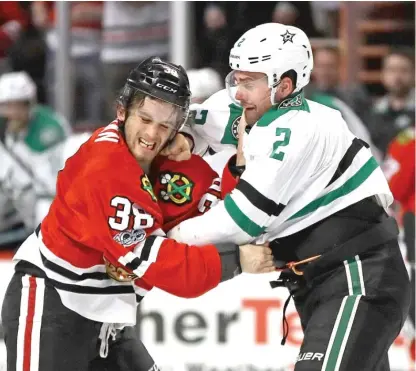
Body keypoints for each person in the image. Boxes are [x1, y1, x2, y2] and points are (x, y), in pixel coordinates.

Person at [1, 57, 274, 371]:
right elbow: (171, 268)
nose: (152, 134)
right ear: (121, 111)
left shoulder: (174, 151)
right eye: (144, 119)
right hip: (53, 306)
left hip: (107, 320)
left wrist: (211, 149)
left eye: (164, 125)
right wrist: (239, 261)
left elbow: (243, 119)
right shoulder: (104, 169)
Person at [165, 23, 411, 370]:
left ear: (285, 85)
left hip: (358, 277)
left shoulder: (299, 128)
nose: (238, 92)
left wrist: (164, 237)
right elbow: (193, 121)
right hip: (323, 281)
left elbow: (240, 221)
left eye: (249, 82)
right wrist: (187, 139)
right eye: (236, 78)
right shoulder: (258, 110)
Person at [0, 71, 70, 247]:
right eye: (6, 106)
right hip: (12, 192)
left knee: (45, 214)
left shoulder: (49, 127)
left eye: (18, 106)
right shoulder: (5, 126)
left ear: (29, 104)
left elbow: (46, 179)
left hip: (45, 194)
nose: (12, 112)